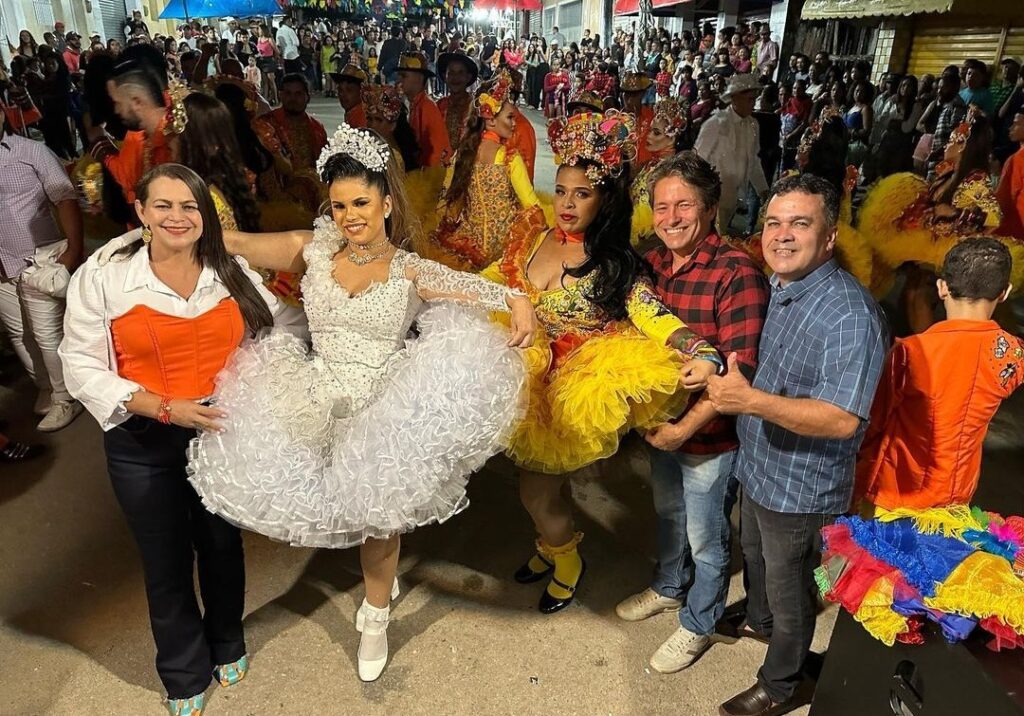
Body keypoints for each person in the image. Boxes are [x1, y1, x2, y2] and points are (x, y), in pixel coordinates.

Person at [162, 124, 535, 683]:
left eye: (360, 203)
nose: (349, 216)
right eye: (339, 206)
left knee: (379, 519)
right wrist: (178, 225)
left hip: (381, 407)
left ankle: (375, 617)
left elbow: (480, 288)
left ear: (386, 203)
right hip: (315, 392)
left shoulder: (410, 269)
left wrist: (517, 298)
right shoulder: (313, 249)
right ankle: (378, 591)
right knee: (305, 495)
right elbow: (238, 243)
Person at [61, 163, 301, 716]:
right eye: (163, 205)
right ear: (140, 212)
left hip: (219, 432)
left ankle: (227, 639)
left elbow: (283, 326)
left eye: (190, 206)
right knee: (165, 557)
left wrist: (264, 383)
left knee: (221, 543)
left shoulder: (230, 269)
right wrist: (163, 406)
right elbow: (80, 363)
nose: (178, 217)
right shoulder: (104, 275)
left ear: (206, 216)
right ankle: (183, 669)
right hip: (143, 439)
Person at [482, 111, 723, 614]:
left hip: (572, 393)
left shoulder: (613, 263)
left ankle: (568, 560)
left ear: (604, 199)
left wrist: (700, 349)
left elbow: (653, 315)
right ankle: (549, 548)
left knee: (535, 490)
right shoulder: (534, 236)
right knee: (536, 486)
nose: (567, 204)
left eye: (582, 194)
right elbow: (498, 280)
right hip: (525, 377)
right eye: (561, 191)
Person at [708, 173, 888, 716]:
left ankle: (783, 683)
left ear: (829, 237)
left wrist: (749, 401)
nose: (782, 235)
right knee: (755, 555)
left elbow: (841, 419)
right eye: (773, 222)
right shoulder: (781, 283)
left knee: (792, 591)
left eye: (800, 223)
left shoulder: (851, 316)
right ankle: (758, 621)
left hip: (801, 487)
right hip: (760, 463)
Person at [616, 152, 769, 673]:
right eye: (662, 207)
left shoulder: (737, 272)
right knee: (668, 514)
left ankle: (700, 621)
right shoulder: (652, 262)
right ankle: (668, 586)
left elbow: (740, 373)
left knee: (706, 537)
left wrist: (683, 429)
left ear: (709, 207)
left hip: (710, 436)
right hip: (661, 427)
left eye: (683, 205)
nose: (671, 217)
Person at [857, 238, 1023, 511]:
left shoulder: (910, 352)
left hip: (897, 493)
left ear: (942, 287)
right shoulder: (1013, 354)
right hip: (957, 497)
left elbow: (874, 422)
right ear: (1004, 292)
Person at [860, 110, 1024, 332]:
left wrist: (956, 215)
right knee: (911, 290)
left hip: (951, 252)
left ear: (963, 146)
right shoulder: (947, 175)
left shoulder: (975, 179)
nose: (947, 145)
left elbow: (994, 217)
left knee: (919, 294)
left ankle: (927, 346)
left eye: (952, 141)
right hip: (929, 247)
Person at [0, 108, 84, 432]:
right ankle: (48, 388)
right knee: (20, 335)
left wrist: (73, 251)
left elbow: (65, 198)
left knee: (47, 335)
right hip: (2, 267)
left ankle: (67, 398)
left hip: (38, 261)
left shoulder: (31, 152)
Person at [425, 75, 540, 271]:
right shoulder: (509, 157)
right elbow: (532, 206)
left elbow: (445, 198)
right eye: (510, 117)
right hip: (503, 251)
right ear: (491, 120)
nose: (514, 123)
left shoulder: (463, 154)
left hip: (468, 248)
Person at [89, 55, 181, 205]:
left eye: (117, 102)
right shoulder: (139, 137)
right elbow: (128, 181)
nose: (116, 110)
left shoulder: (176, 139)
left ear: (137, 101)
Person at [694, 73, 769, 233]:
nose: (753, 104)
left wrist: (762, 189)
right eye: (749, 99)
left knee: (722, 235)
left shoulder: (753, 125)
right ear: (735, 98)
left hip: (734, 196)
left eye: (754, 99)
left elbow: (753, 160)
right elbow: (698, 159)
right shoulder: (716, 123)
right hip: (712, 196)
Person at [255, 73, 327, 173]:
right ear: (281, 95)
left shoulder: (317, 128)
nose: (293, 98)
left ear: (307, 97)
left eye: (298, 94)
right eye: (288, 93)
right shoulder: (266, 124)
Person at [396, 51, 450, 168]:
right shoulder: (413, 104)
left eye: (404, 76)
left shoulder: (427, 107)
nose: (399, 80)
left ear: (420, 78)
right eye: (399, 75)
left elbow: (434, 154)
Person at [436, 50, 478, 149]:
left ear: (468, 77)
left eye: (460, 72)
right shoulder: (439, 106)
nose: (455, 77)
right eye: (451, 73)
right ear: (445, 76)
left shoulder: (476, 107)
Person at [996, 111, 1024, 239]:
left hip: (1016, 233)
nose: (1010, 128)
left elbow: (1003, 200)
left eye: (1016, 124)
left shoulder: (1016, 160)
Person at [331, 63, 367, 128]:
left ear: (361, 92)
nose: (342, 95)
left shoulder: (366, 117)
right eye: (340, 90)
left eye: (349, 90)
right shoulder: (352, 112)